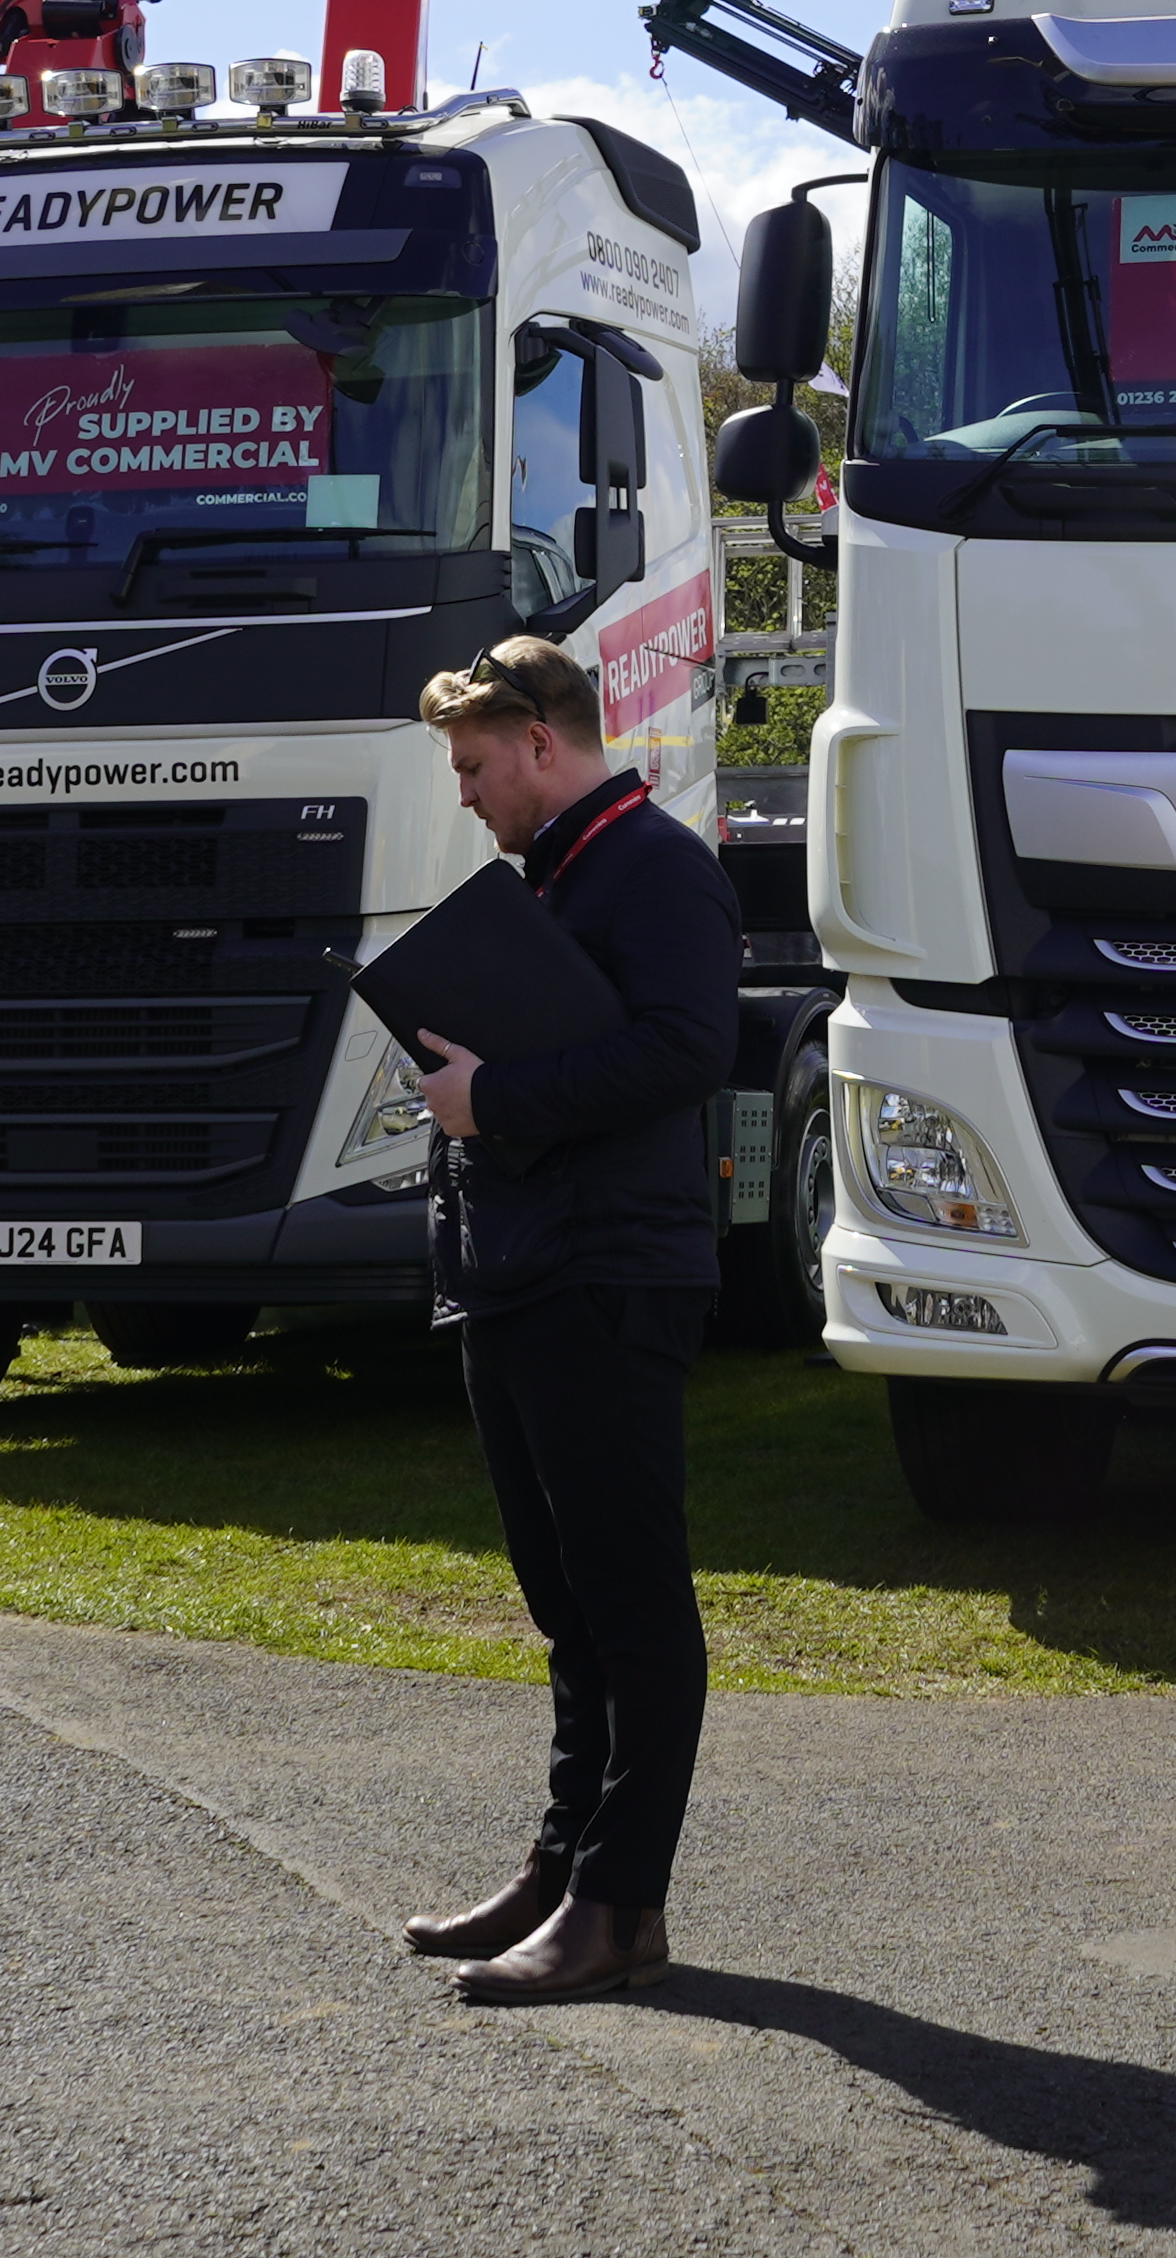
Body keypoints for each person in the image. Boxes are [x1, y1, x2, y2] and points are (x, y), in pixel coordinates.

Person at [390, 634, 740, 2009]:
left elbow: (689, 1048)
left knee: (628, 1599)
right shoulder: (565, 871)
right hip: (523, 1268)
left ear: (544, 741)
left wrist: (499, 1098)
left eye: (475, 766)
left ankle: (618, 1903)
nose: (466, 793)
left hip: (608, 1276)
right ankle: (560, 1865)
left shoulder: (658, 867)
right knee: (565, 1600)